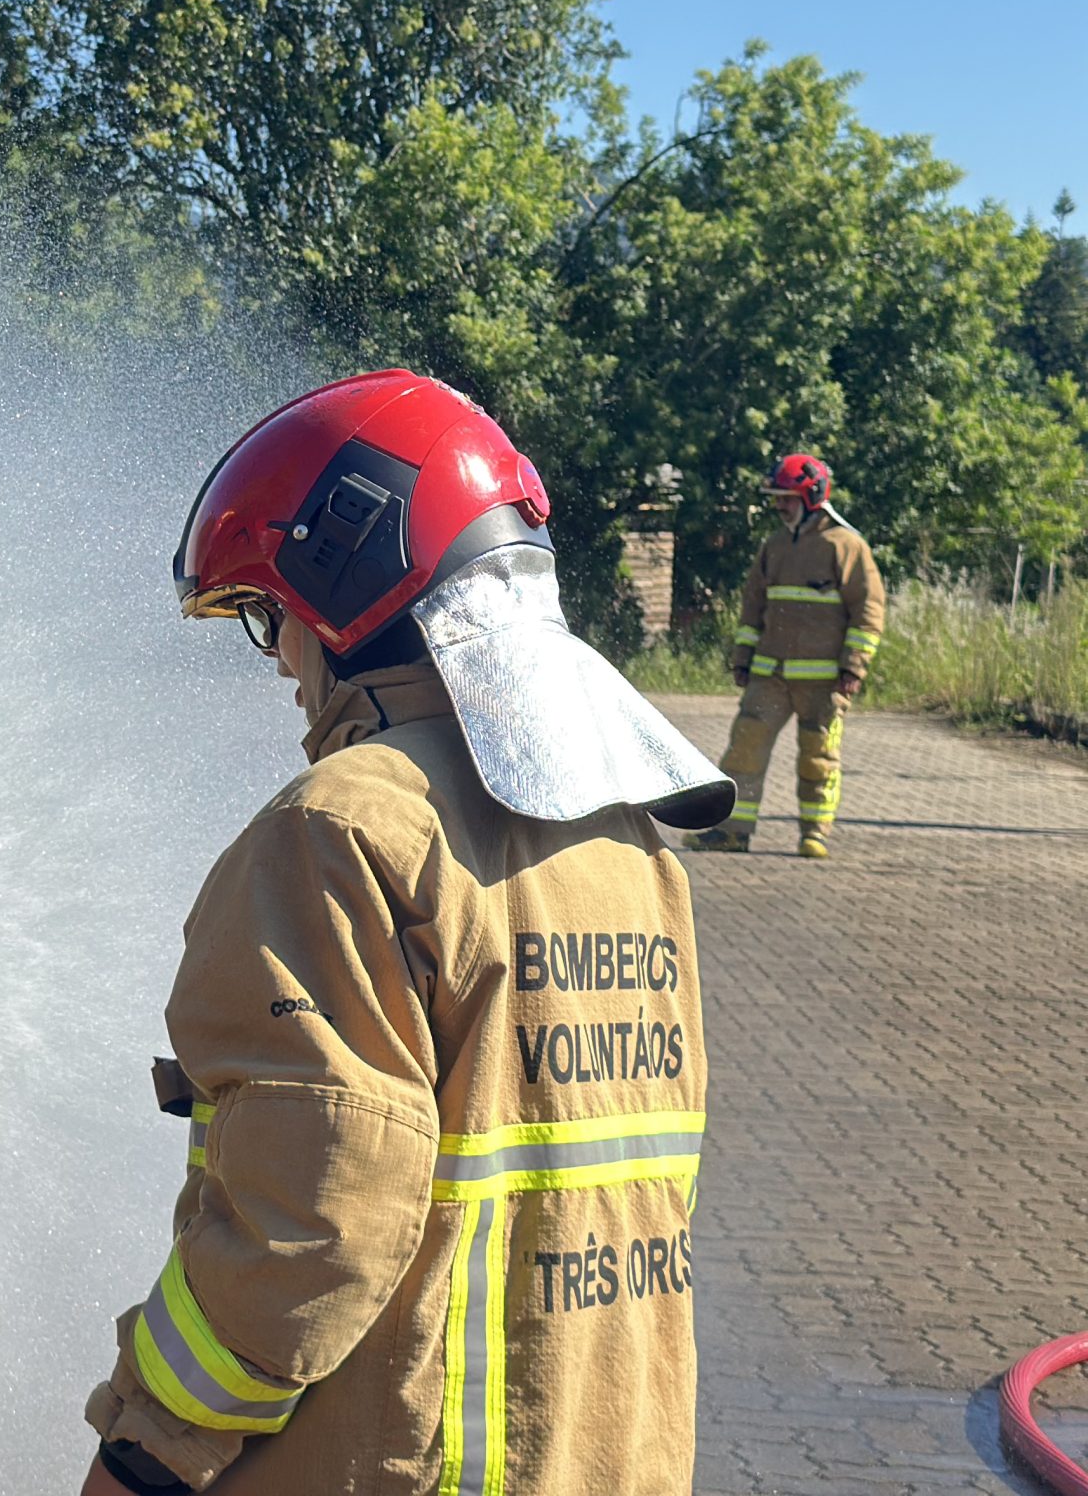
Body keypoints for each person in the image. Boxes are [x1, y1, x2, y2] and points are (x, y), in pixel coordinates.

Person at [82, 371, 733, 1496]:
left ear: (349, 581)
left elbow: (308, 1230)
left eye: (268, 617)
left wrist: (147, 1453)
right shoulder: (628, 839)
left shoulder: (338, 830)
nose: (281, 663)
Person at [686, 453, 886, 859]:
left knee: (819, 759)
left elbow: (869, 610)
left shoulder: (847, 546)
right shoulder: (774, 546)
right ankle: (731, 831)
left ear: (812, 496)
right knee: (743, 753)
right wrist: (743, 657)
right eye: (777, 498)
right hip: (769, 676)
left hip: (824, 680)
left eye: (786, 498)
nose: (779, 506)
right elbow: (753, 606)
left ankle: (815, 835)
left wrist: (853, 667)